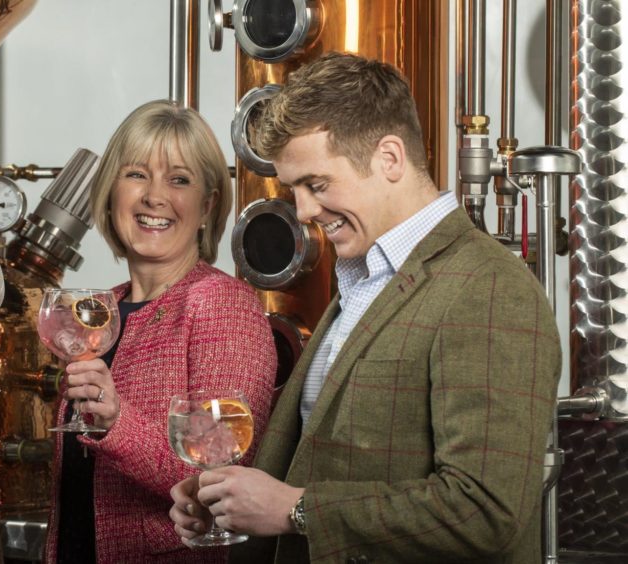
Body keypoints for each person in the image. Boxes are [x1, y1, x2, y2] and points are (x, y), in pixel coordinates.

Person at [169, 52, 561, 563]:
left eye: (317, 184)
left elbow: (486, 510)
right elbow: (327, 454)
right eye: (294, 190)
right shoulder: (362, 279)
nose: (305, 211)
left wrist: (295, 509)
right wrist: (231, 500)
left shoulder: (487, 286)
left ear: (390, 158)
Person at [46, 99, 278, 563]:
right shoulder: (102, 309)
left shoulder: (220, 304)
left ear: (208, 204)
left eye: (179, 179)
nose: (155, 196)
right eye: (136, 174)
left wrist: (117, 421)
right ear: (111, 193)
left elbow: (223, 470)